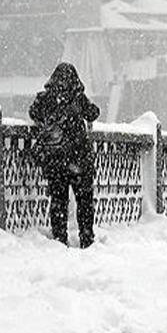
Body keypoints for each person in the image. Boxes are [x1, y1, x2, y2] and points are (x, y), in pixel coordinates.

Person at [28, 62, 101, 248]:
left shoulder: (46, 98)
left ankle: (60, 239)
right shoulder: (78, 98)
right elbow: (93, 113)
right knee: (84, 201)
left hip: (55, 160)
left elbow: (33, 113)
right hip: (79, 159)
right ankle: (86, 238)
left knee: (58, 202)